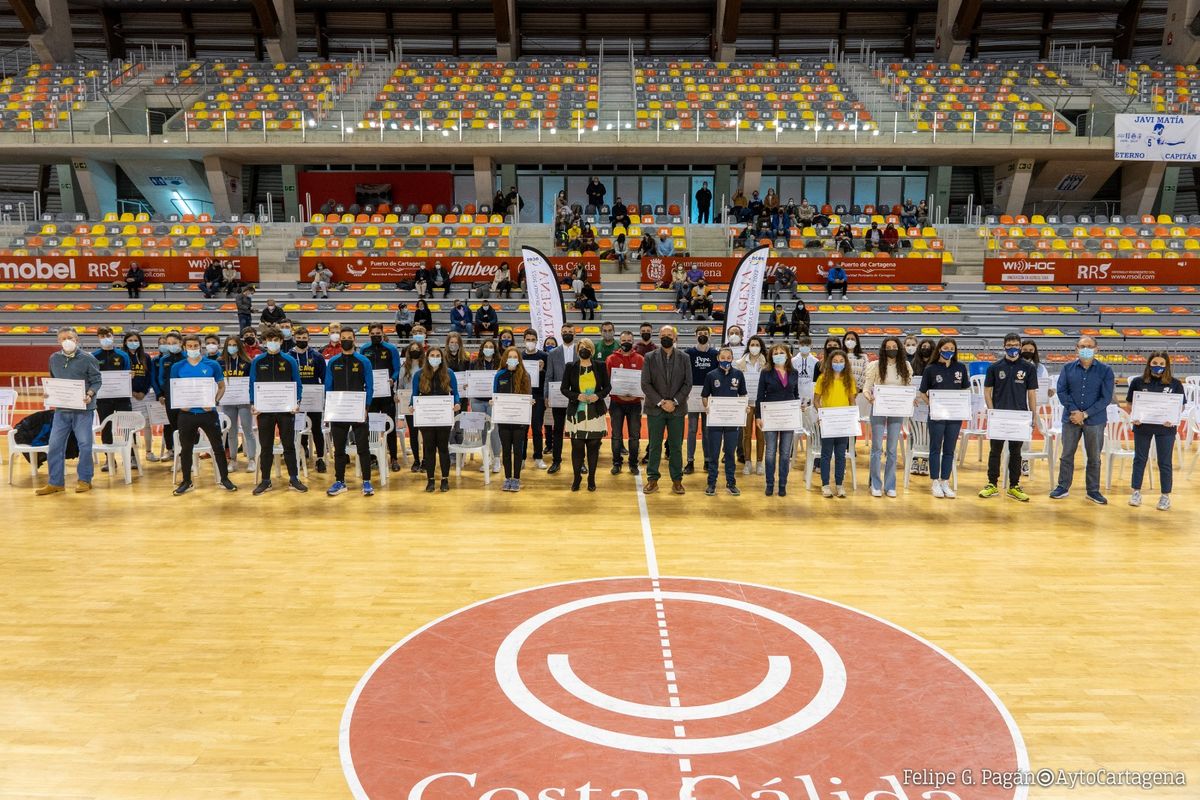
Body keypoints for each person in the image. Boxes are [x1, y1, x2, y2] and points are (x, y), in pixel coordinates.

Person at [166, 334, 238, 496]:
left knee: (218, 447)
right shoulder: (177, 367)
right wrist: (180, 406)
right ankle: (186, 481)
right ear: (185, 348)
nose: (192, 349)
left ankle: (224, 479)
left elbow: (221, 387)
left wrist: (214, 402)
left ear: (200, 346)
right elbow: (174, 389)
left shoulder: (212, 364)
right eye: (189, 346)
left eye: (195, 346)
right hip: (187, 414)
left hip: (208, 413)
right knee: (186, 449)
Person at [35, 328, 102, 495]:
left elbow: (96, 381)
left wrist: (90, 394)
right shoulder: (54, 358)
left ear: (77, 340)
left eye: (70, 337)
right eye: (63, 338)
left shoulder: (88, 358)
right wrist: (49, 392)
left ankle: (84, 479)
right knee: (55, 446)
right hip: (61, 410)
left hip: (83, 410)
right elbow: (53, 379)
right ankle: (55, 482)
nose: (67, 341)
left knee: (85, 445)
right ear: (58, 341)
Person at [1050, 335, 1114, 504]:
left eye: (1089, 346)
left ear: (1096, 349)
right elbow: (1062, 391)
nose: (1085, 349)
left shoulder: (1106, 370)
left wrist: (1085, 414)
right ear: (1076, 349)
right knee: (1067, 454)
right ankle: (1062, 487)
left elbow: (1106, 397)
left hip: (1095, 420)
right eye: (1082, 346)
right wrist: (1074, 411)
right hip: (1071, 419)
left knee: (1094, 456)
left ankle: (1093, 490)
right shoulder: (1067, 368)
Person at [979, 333, 1038, 502]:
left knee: (1016, 452)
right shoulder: (994, 367)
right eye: (1009, 345)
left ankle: (1014, 485)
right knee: (995, 451)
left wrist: (1034, 415)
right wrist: (991, 412)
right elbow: (987, 392)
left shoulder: (1028, 368)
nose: (1013, 348)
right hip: (999, 416)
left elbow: (1032, 394)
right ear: (1004, 346)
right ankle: (991, 484)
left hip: (1019, 416)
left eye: (1015, 345)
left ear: (1020, 346)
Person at [1122, 352, 1184, 510]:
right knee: (1140, 459)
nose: (1158, 366)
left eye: (1162, 364)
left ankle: (1165, 496)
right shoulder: (1138, 382)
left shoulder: (1175, 384)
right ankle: (1136, 492)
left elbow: (1181, 406)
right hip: (1142, 426)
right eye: (1155, 363)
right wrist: (1134, 415)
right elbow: (1129, 404)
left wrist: (1173, 417)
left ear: (1166, 366)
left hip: (1166, 428)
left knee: (1164, 462)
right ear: (1149, 364)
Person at [249, 328, 306, 495]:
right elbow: (253, 384)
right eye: (269, 339)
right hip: (264, 410)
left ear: (281, 341)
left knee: (289, 445)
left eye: (275, 339)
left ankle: (294, 478)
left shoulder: (289, 360)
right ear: (265, 341)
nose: (272, 342)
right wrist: (253, 403)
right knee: (266, 446)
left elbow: (298, 384)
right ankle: (266, 480)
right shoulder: (258, 361)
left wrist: (297, 402)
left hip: (286, 410)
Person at [641, 325, 692, 495]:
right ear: (659, 337)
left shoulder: (685, 357)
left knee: (676, 446)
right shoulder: (649, 357)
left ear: (675, 338)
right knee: (654, 446)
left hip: (677, 410)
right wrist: (662, 402)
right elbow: (645, 384)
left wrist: (675, 402)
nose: (666, 337)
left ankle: (677, 480)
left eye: (669, 335)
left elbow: (688, 383)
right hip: (655, 409)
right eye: (663, 335)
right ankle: (652, 480)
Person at [324, 327, 375, 496]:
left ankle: (367, 482)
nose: (346, 340)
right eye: (343, 337)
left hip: (358, 410)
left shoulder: (363, 361)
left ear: (354, 340)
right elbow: (328, 387)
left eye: (349, 337)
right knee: (339, 449)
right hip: (338, 412)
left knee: (363, 448)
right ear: (340, 340)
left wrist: (366, 407)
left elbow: (370, 386)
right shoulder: (333, 362)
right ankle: (340, 481)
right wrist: (329, 409)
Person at [919, 337, 969, 499]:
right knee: (935, 448)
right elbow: (922, 393)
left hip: (954, 416)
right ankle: (934, 481)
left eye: (951, 349)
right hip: (937, 416)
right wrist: (932, 406)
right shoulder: (931, 369)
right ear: (939, 349)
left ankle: (945, 481)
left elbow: (965, 391)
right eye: (945, 348)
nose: (949, 351)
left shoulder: (960, 368)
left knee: (949, 449)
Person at [863, 336, 911, 497]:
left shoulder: (905, 366)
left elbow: (908, 388)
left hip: (896, 411)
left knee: (891, 449)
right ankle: (875, 484)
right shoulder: (875, 366)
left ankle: (890, 485)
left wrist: (911, 399)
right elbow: (866, 388)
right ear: (884, 349)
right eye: (888, 346)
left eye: (894, 346)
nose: (891, 349)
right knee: (876, 448)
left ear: (899, 348)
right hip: (878, 409)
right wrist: (869, 397)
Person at [561, 337, 610, 491]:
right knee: (577, 447)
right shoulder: (571, 366)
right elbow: (564, 388)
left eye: (587, 347)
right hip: (577, 413)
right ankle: (576, 478)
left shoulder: (600, 366)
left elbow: (607, 387)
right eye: (582, 347)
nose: (584, 349)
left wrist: (598, 395)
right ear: (577, 350)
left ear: (592, 350)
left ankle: (591, 479)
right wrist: (576, 396)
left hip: (595, 412)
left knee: (594, 446)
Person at [411, 345, 461, 492]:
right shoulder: (419, 374)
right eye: (432, 355)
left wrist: (457, 403)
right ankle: (430, 480)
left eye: (437, 355)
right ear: (427, 357)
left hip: (443, 416)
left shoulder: (449, 373)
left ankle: (445, 479)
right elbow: (414, 396)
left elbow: (456, 393)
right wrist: (411, 405)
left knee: (443, 449)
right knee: (429, 450)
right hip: (426, 417)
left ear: (442, 357)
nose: (434, 358)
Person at [700, 345, 747, 496]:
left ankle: (731, 482)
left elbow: (743, 395)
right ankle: (711, 483)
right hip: (715, 421)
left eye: (728, 358)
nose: (726, 360)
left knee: (729, 453)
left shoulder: (738, 375)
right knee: (713, 453)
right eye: (723, 358)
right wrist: (707, 407)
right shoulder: (711, 375)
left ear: (732, 358)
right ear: (718, 358)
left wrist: (744, 407)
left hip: (732, 422)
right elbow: (704, 396)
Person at [813, 348, 857, 498]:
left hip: (843, 422)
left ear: (846, 363)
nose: (838, 364)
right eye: (835, 361)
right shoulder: (822, 378)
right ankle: (825, 484)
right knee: (826, 454)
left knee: (840, 454)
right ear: (830, 362)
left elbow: (852, 401)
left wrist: (851, 416)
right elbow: (816, 401)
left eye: (841, 361)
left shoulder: (849, 380)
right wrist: (822, 414)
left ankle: (839, 484)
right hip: (828, 422)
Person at [758, 342, 799, 496]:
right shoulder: (766, 372)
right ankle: (769, 483)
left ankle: (782, 484)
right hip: (770, 416)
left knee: (785, 452)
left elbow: (796, 394)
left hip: (788, 417)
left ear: (787, 355)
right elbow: (760, 396)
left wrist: (797, 408)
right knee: (770, 452)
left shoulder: (794, 373)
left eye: (781, 352)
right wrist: (758, 416)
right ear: (771, 356)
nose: (778, 355)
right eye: (775, 353)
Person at [360, 323, 402, 471]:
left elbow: (397, 369)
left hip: (386, 393)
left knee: (389, 426)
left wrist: (393, 379)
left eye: (378, 333)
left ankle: (394, 458)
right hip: (371, 395)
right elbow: (362, 370)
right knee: (370, 426)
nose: (376, 335)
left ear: (383, 333)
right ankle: (372, 457)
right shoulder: (364, 349)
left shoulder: (391, 349)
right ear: (369, 334)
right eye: (373, 333)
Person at [493, 346, 534, 491]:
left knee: (517, 450)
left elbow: (528, 395)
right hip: (504, 420)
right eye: (509, 357)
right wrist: (494, 401)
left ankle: (516, 478)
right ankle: (507, 478)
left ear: (519, 359)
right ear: (505, 359)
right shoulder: (499, 375)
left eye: (515, 357)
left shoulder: (525, 375)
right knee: (506, 450)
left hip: (519, 421)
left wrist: (530, 402)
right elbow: (495, 394)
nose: (512, 359)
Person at [605, 329, 644, 475]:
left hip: (634, 404)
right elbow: (607, 381)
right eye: (623, 341)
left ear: (633, 342)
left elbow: (644, 381)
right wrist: (619, 395)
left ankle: (633, 463)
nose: (626, 343)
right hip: (616, 403)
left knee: (634, 436)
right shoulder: (611, 359)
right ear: (619, 342)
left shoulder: (640, 359)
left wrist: (634, 396)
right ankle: (616, 463)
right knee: (616, 435)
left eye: (629, 340)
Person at [92, 327, 132, 459]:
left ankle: (130, 456)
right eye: (102, 336)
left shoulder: (123, 355)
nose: (105, 339)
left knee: (127, 426)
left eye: (108, 335)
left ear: (113, 336)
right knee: (106, 427)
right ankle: (109, 459)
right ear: (98, 338)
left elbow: (127, 373)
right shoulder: (94, 356)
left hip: (122, 397)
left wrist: (129, 376)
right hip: (103, 398)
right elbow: (92, 376)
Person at [218, 334, 255, 473]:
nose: (232, 347)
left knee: (247, 430)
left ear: (239, 346)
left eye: (234, 345)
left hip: (244, 401)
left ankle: (251, 459)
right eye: (229, 345)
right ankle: (233, 460)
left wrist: (252, 400)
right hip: (228, 401)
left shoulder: (248, 362)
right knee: (231, 431)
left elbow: (251, 382)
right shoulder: (220, 362)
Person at [291, 327, 327, 473]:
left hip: (313, 397)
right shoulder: (289, 356)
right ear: (294, 338)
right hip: (296, 398)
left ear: (309, 338)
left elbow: (324, 378)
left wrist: (324, 396)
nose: (301, 341)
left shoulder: (317, 356)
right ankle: (300, 455)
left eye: (304, 338)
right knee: (298, 428)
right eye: (298, 338)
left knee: (317, 428)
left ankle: (320, 458)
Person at [543, 324, 578, 474]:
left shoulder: (581, 351)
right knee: (557, 430)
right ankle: (556, 461)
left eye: (570, 332)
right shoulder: (553, 353)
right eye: (565, 332)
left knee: (578, 431)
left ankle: (580, 462)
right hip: (558, 397)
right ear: (561, 333)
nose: (567, 334)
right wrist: (546, 395)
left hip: (577, 397)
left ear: (575, 334)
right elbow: (549, 376)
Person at [683, 326, 716, 474]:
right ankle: (690, 461)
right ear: (695, 336)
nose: (702, 336)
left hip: (709, 396)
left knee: (707, 430)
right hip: (693, 395)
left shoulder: (715, 354)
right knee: (691, 429)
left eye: (705, 334)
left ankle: (708, 461)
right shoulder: (689, 353)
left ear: (709, 336)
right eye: (700, 334)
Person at [122, 331, 156, 463]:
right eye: (130, 340)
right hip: (128, 395)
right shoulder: (122, 356)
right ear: (125, 342)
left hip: (144, 395)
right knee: (130, 426)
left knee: (147, 424)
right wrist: (132, 392)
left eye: (135, 340)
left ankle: (149, 451)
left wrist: (143, 391)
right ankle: (132, 455)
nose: (133, 342)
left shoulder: (145, 357)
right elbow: (120, 378)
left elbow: (149, 376)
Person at [471, 339, 504, 474]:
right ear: (482, 349)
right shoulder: (475, 363)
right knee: (482, 431)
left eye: (491, 347)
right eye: (486, 347)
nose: (488, 349)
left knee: (494, 430)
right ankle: (487, 458)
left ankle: (496, 458)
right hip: (477, 401)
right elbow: (471, 379)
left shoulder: (500, 363)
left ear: (494, 349)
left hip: (493, 401)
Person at [736, 336, 768, 474]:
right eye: (752, 344)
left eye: (757, 344)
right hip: (746, 403)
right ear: (748, 346)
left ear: (761, 347)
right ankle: (747, 462)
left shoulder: (767, 364)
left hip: (761, 403)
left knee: (761, 435)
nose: (754, 346)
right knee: (746, 434)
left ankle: (760, 462)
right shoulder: (739, 363)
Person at [153, 331, 186, 463]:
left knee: (186, 426)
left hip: (185, 397)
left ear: (180, 343)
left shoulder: (186, 357)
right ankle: (177, 455)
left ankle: (187, 455)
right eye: (169, 343)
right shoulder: (163, 359)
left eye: (174, 343)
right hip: (170, 398)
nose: (172, 346)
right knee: (174, 427)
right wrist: (165, 391)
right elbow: (161, 378)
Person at [520, 329, 549, 469]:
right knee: (522, 428)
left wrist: (542, 369)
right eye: (528, 339)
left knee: (537, 428)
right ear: (524, 340)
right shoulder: (519, 356)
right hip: (523, 397)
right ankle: (522, 458)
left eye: (533, 339)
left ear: (537, 341)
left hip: (538, 396)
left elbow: (549, 376)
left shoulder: (544, 356)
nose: (530, 342)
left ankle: (538, 457)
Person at [791, 336, 819, 408]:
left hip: (810, 393)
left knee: (809, 416)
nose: (805, 347)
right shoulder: (793, 361)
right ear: (799, 346)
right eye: (802, 345)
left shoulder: (816, 361)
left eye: (807, 345)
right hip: (796, 392)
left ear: (811, 346)